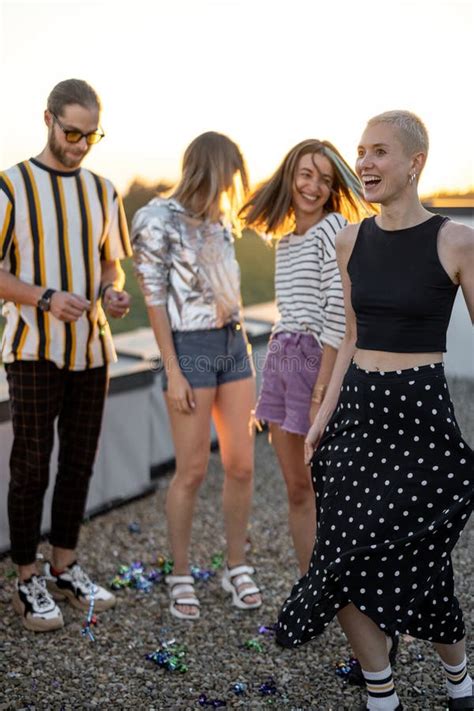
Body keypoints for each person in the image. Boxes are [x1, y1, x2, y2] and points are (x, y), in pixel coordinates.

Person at [276, 111, 474, 711]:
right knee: (339, 554)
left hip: (421, 413)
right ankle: (380, 687)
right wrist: (322, 414)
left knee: (419, 555)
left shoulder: (455, 239)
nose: (364, 162)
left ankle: (457, 670)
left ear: (415, 163)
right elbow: (353, 332)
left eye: (380, 152)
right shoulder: (349, 239)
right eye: (361, 151)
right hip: (357, 411)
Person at [0, 79, 132, 632]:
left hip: (93, 349)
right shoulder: (10, 186)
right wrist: (46, 298)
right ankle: (27, 579)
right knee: (32, 465)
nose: (79, 144)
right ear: (48, 119)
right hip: (32, 348)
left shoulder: (105, 191)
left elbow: (111, 264)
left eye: (90, 135)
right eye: (71, 131)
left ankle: (65, 567)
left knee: (79, 463)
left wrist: (111, 292)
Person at [132, 131, 261, 620]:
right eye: (228, 175)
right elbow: (154, 300)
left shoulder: (220, 220)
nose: (231, 186)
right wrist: (173, 371)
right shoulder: (155, 218)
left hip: (234, 344)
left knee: (242, 465)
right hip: (189, 347)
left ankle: (236, 565)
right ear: (209, 169)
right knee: (191, 470)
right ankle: (181, 573)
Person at [241, 139, 372, 574]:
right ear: (290, 176)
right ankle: (310, 589)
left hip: (319, 365)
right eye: (306, 174)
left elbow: (339, 317)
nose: (313, 186)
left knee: (332, 491)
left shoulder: (332, 229)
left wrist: (320, 393)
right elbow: (290, 316)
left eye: (325, 179)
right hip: (283, 361)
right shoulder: (286, 242)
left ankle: (349, 592)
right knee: (297, 489)